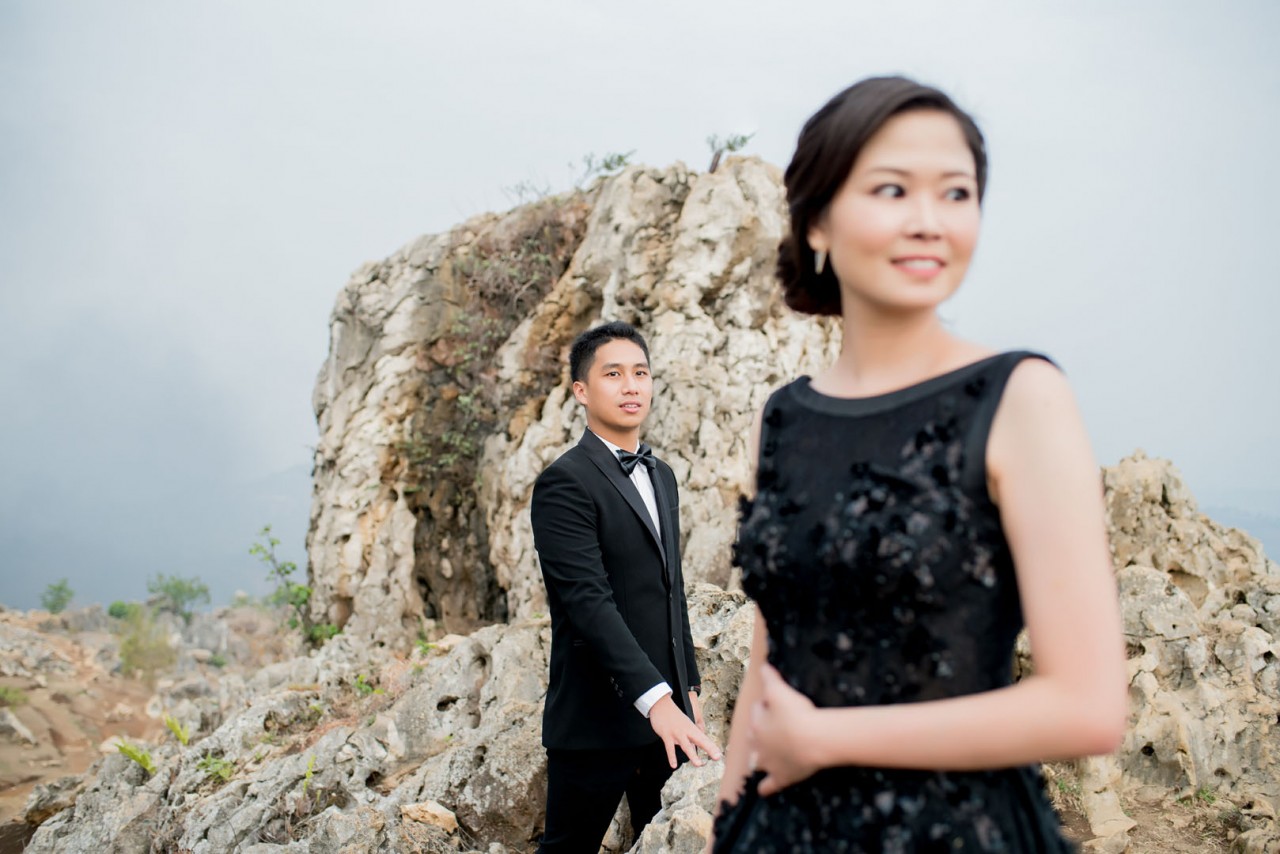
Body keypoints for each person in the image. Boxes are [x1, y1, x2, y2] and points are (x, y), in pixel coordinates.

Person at [708, 76, 1127, 852]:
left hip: (955, 832)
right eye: (892, 189)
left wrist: (828, 739)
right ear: (817, 221)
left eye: (956, 193)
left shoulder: (1018, 397)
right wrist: (724, 828)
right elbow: (771, 668)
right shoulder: (784, 419)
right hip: (779, 832)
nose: (930, 221)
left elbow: (1089, 706)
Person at [532, 321, 722, 854]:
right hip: (597, 716)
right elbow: (588, 603)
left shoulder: (662, 475)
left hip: (670, 719)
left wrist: (687, 686)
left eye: (640, 373)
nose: (631, 385)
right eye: (613, 374)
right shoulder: (564, 482)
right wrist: (656, 700)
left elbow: (670, 590)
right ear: (582, 390)